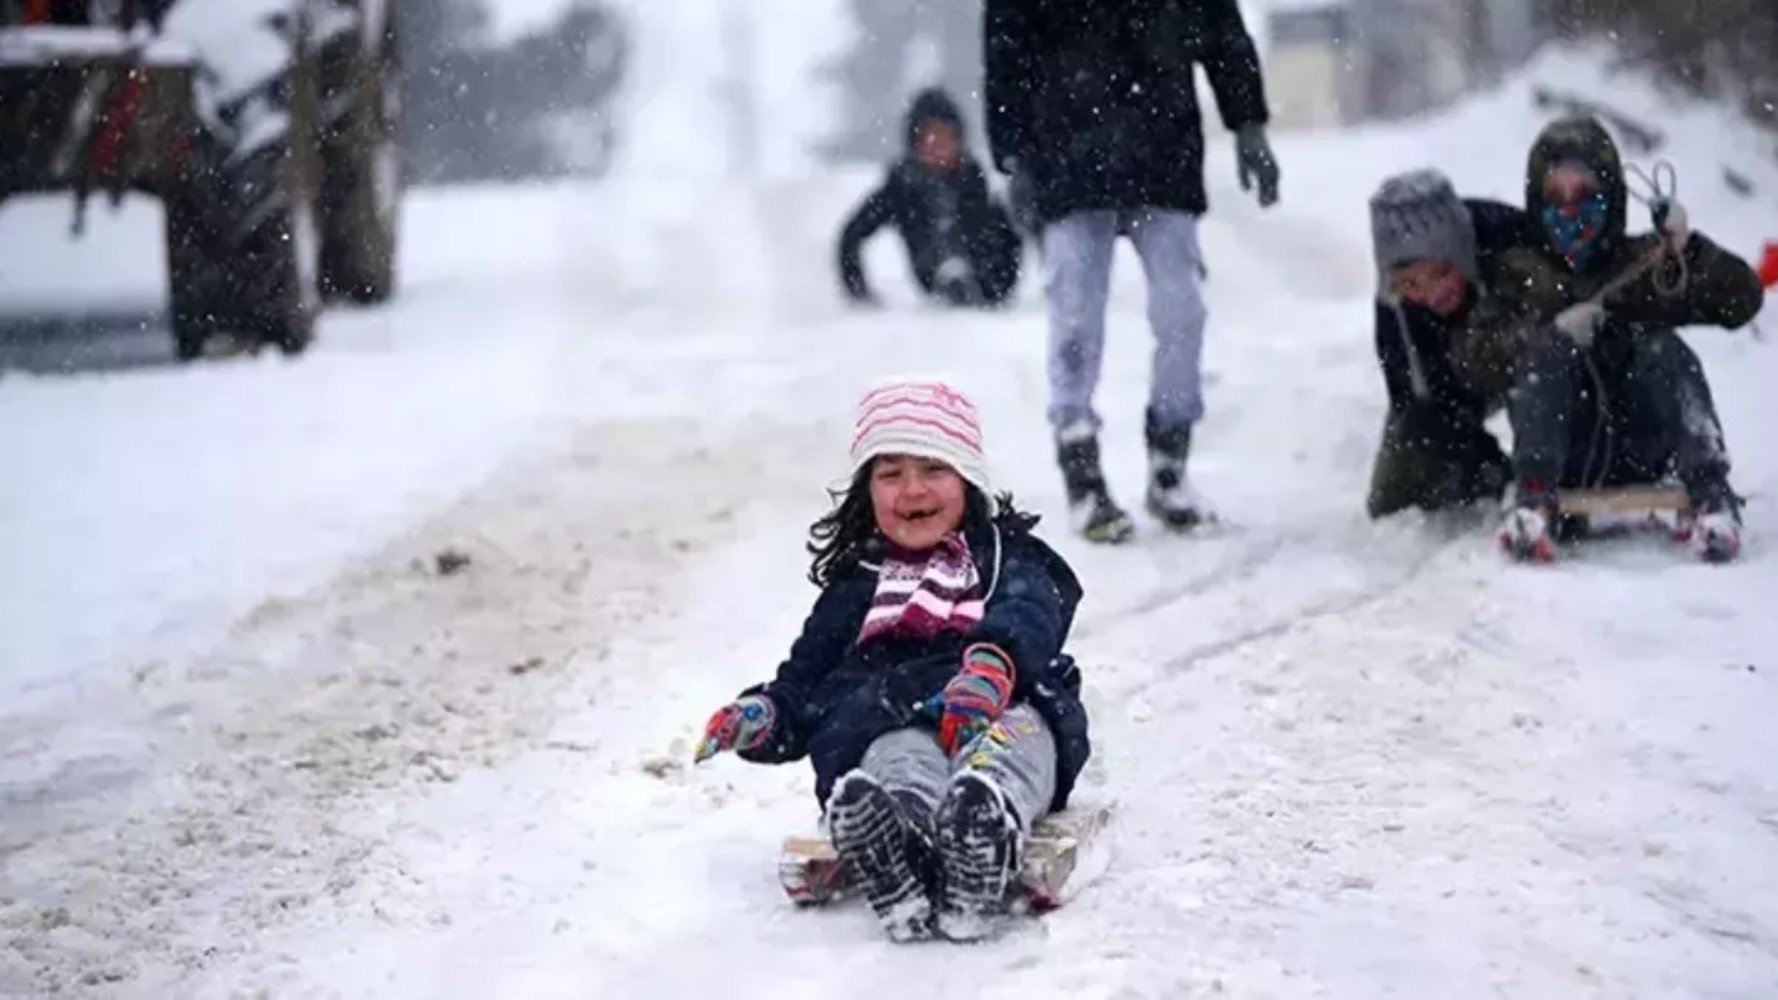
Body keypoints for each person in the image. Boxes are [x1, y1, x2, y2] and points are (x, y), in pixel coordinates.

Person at [691, 377, 1091, 943]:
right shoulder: (858, 585)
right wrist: (762, 717)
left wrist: (992, 665)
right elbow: (804, 683)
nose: (912, 489)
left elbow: (1033, 608)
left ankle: (983, 828)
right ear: (866, 490)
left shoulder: (1005, 554)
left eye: (933, 469)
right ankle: (897, 844)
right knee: (896, 760)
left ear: (969, 479)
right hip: (891, 716)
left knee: (1011, 746)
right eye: (890, 473)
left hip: (1003, 703)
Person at [983, 0, 1280, 543]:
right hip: (1067, 156)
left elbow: (1220, 31)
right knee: (1075, 321)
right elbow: (1006, 46)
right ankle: (1082, 470)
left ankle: (1170, 462)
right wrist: (1014, 156)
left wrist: (1248, 123)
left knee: (1182, 311)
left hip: (1162, 150)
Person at [1454, 116, 1765, 562]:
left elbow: (1742, 300)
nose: (1568, 209)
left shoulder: (1644, 262)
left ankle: (1711, 492)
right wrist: (1545, 335)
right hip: (1561, 453)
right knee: (1547, 356)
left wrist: (1688, 250)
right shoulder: (1518, 273)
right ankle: (1532, 503)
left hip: (1641, 442)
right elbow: (1473, 358)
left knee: (1662, 348)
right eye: (1555, 196)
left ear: (1609, 195)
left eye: (1582, 194)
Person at [1364, 169, 1531, 519]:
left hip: (1528, 360)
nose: (1431, 294)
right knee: (1394, 498)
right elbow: (1416, 405)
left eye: (1441, 274)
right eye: (1410, 284)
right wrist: (1485, 468)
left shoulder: (1514, 244)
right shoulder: (1394, 310)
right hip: (1455, 380)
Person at [836, 88, 1022, 308]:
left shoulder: (973, 179)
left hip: (988, 283)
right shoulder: (903, 187)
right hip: (932, 273)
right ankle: (950, 275)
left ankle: (963, 277)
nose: (938, 146)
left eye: (945, 136)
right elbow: (853, 235)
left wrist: (999, 284)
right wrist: (858, 291)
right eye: (930, 138)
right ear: (915, 143)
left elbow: (1007, 237)